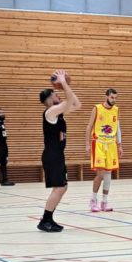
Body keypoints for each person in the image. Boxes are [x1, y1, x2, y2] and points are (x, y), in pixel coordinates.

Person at [38, 70, 81, 232]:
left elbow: (77, 104)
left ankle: (48, 219)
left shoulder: (59, 113)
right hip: (52, 155)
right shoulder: (50, 112)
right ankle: (45, 220)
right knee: (60, 188)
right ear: (50, 99)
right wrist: (63, 83)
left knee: (62, 187)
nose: (59, 95)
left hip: (57, 155)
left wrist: (65, 85)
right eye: (56, 94)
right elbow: (69, 100)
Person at [85, 88, 122, 212]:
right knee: (100, 175)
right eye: (112, 97)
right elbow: (89, 127)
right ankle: (93, 200)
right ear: (106, 97)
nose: (114, 100)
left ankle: (104, 202)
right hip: (99, 143)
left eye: (116, 98)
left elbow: (117, 128)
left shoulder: (116, 110)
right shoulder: (97, 108)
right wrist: (87, 144)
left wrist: (119, 145)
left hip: (111, 144)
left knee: (108, 175)